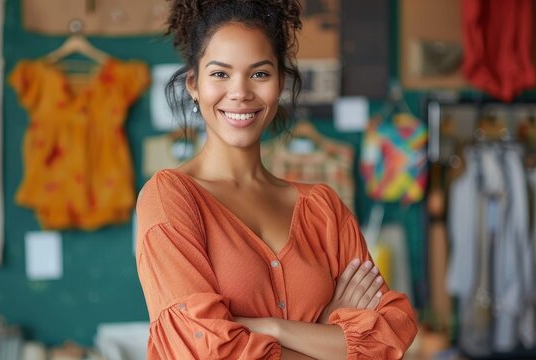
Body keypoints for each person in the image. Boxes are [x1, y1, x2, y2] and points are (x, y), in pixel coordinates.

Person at [135, 0, 418, 358]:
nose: (240, 92)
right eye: (220, 74)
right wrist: (323, 335)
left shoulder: (323, 208)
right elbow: (206, 352)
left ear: (280, 83)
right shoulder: (170, 198)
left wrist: (272, 328)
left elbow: (389, 336)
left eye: (259, 73)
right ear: (194, 83)